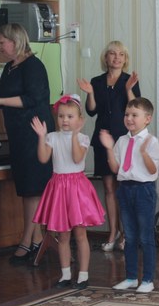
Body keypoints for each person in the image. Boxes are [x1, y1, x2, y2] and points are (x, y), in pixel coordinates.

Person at [0, 23, 54, 264]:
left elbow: (32, 99)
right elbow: (2, 100)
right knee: (26, 189)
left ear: (16, 41)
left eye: (2, 42)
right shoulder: (11, 67)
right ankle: (36, 239)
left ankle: (27, 241)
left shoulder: (33, 66)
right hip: (17, 134)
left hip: (34, 133)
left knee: (33, 188)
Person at [31, 94, 105, 289]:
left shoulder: (82, 138)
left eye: (70, 117)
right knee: (62, 236)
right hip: (58, 187)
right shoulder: (52, 137)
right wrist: (41, 137)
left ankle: (83, 275)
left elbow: (76, 157)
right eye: (61, 116)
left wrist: (73, 136)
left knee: (80, 234)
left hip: (77, 188)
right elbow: (43, 158)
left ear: (79, 119)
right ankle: (65, 275)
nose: (65, 120)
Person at [78, 41, 141, 251]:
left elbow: (135, 109)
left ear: (125, 58)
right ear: (106, 58)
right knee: (108, 187)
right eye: (112, 54)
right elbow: (91, 111)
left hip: (124, 140)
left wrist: (129, 89)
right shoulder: (97, 81)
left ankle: (127, 233)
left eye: (121, 54)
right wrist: (90, 93)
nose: (116, 58)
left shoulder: (129, 80)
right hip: (103, 139)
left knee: (124, 188)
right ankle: (113, 232)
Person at [100, 97, 159, 293]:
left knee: (145, 236)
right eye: (127, 114)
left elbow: (152, 170)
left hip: (144, 190)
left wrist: (144, 153)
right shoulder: (122, 140)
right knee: (130, 235)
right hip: (125, 189)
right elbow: (115, 168)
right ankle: (131, 277)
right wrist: (109, 148)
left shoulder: (152, 142)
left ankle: (148, 279)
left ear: (147, 119)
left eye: (135, 115)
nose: (129, 118)